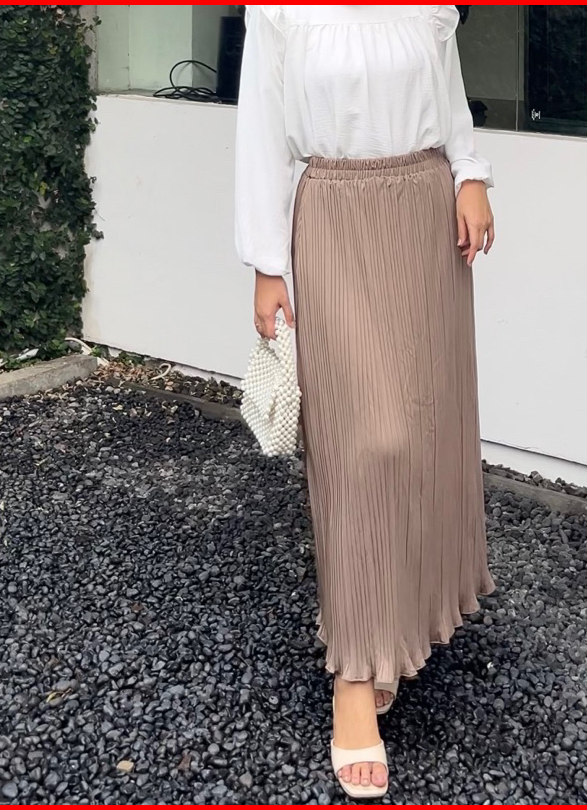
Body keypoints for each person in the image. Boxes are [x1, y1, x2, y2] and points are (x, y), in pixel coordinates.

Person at [235, 5, 495, 799]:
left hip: (423, 216)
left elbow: (448, 95)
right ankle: (354, 675)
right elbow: (261, 130)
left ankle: (395, 627)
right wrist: (267, 263)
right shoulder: (280, 12)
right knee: (362, 445)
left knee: (423, 432)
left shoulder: (427, 9)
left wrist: (470, 173)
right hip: (334, 220)